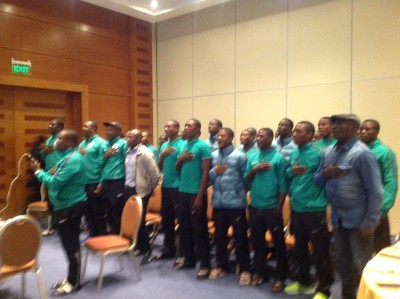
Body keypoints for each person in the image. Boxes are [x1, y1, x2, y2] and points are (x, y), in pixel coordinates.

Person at [315, 114, 383, 299]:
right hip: (338, 220)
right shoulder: (328, 151)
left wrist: (370, 222)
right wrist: (326, 173)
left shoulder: (362, 153)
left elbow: (376, 191)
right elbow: (317, 180)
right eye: (334, 123)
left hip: (359, 222)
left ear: (354, 127)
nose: (334, 126)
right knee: (343, 264)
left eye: (340, 123)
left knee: (361, 265)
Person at [31, 129, 87, 296]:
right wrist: (44, 172)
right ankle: (71, 277)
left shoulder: (73, 159)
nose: (55, 141)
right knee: (68, 245)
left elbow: (54, 184)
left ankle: (74, 282)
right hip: (63, 206)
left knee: (72, 246)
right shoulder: (66, 157)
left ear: (69, 142)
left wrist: (38, 172)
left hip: (71, 206)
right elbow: (53, 176)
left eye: (60, 139)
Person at [284, 121, 333, 299]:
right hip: (297, 207)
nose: (294, 134)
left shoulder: (320, 154)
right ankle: (304, 282)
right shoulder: (295, 152)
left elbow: (325, 179)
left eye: (298, 131)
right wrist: (292, 170)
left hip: (315, 209)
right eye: (294, 131)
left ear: (310, 135)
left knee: (320, 252)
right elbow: (289, 174)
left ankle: (324, 290)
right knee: (300, 249)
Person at [245, 128, 288, 292]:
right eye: (257, 136)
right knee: (257, 242)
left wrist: (279, 207)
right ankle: (260, 272)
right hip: (255, 206)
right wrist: (254, 171)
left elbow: (284, 184)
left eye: (261, 136)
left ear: (270, 138)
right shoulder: (252, 156)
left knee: (278, 244)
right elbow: (246, 180)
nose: (257, 139)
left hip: (272, 208)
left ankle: (280, 277)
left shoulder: (278, 158)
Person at [208, 128, 251, 285]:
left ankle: (245, 268)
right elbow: (208, 178)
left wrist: (237, 192)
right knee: (220, 237)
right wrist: (214, 171)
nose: (219, 138)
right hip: (218, 204)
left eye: (222, 135)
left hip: (235, 204)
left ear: (231, 138)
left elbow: (247, 180)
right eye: (218, 135)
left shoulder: (240, 156)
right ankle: (221, 265)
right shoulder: (213, 155)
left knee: (240, 238)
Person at [175, 119, 211, 280]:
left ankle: (205, 264)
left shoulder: (203, 146)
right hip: (182, 191)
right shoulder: (182, 145)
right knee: (184, 228)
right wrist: (180, 159)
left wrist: (199, 196)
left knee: (199, 230)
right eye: (185, 125)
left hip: (196, 194)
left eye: (189, 125)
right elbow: (177, 168)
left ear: (198, 129)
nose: (186, 128)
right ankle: (189, 259)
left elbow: (205, 173)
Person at [360, 119, 398, 253]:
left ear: (376, 132)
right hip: (359, 209)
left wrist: (383, 208)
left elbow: (391, 182)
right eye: (361, 129)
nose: (363, 132)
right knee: (361, 249)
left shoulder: (385, 152)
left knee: (379, 251)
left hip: (377, 209)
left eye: (367, 129)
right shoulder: (358, 151)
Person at [124, 129, 159, 265]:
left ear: (139, 138)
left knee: (140, 221)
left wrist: (149, 189)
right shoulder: (128, 151)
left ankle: (148, 251)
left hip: (141, 191)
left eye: (131, 136)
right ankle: (138, 245)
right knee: (134, 221)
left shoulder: (145, 153)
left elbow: (154, 174)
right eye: (127, 136)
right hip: (129, 189)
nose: (127, 138)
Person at [156, 120, 185, 260]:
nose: (166, 128)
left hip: (178, 187)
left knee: (181, 220)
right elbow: (160, 167)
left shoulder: (182, 144)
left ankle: (183, 250)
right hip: (166, 186)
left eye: (169, 126)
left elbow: (181, 167)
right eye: (165, 126)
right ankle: (168, 248)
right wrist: (162, 155)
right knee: (167, 220)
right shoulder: (164, 145)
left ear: (177, 129)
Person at [97, 121, 128, 234]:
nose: (107, 132)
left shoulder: (123, 143)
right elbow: (100, 163)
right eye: (107, 130)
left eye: (111, 130)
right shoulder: (105, 145)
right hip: (106, 182)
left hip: (118, 182)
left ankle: (120, 234)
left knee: (117, 209)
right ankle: (112, 233)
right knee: (107, 210)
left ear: (118, 132)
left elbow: (127, 163)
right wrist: (106, 156)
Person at [78, 121, 107, 236]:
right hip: (84, 182)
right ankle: (93, 234)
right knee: (87, 211)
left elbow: (104, 163)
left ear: (93, 129)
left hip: (95, 181)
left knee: (98, 211)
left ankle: (102, 235)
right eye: (83, 126)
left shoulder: (101, 143)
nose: (83, 128)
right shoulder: (81, 144)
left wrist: (101, 182)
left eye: (86, 126)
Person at [40, 118, 65, 236]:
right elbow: (44, 155)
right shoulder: (49, 140)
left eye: (52, 124)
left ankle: (60, 226)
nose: (49, 126)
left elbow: (68, 155)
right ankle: (54, 226)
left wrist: (59, 168)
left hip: (59, 174)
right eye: (49, 123)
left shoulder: (63, 140)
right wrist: (44, 151)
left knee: (60, 201)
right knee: (51, 202)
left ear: (59, 128)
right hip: (49, 173)